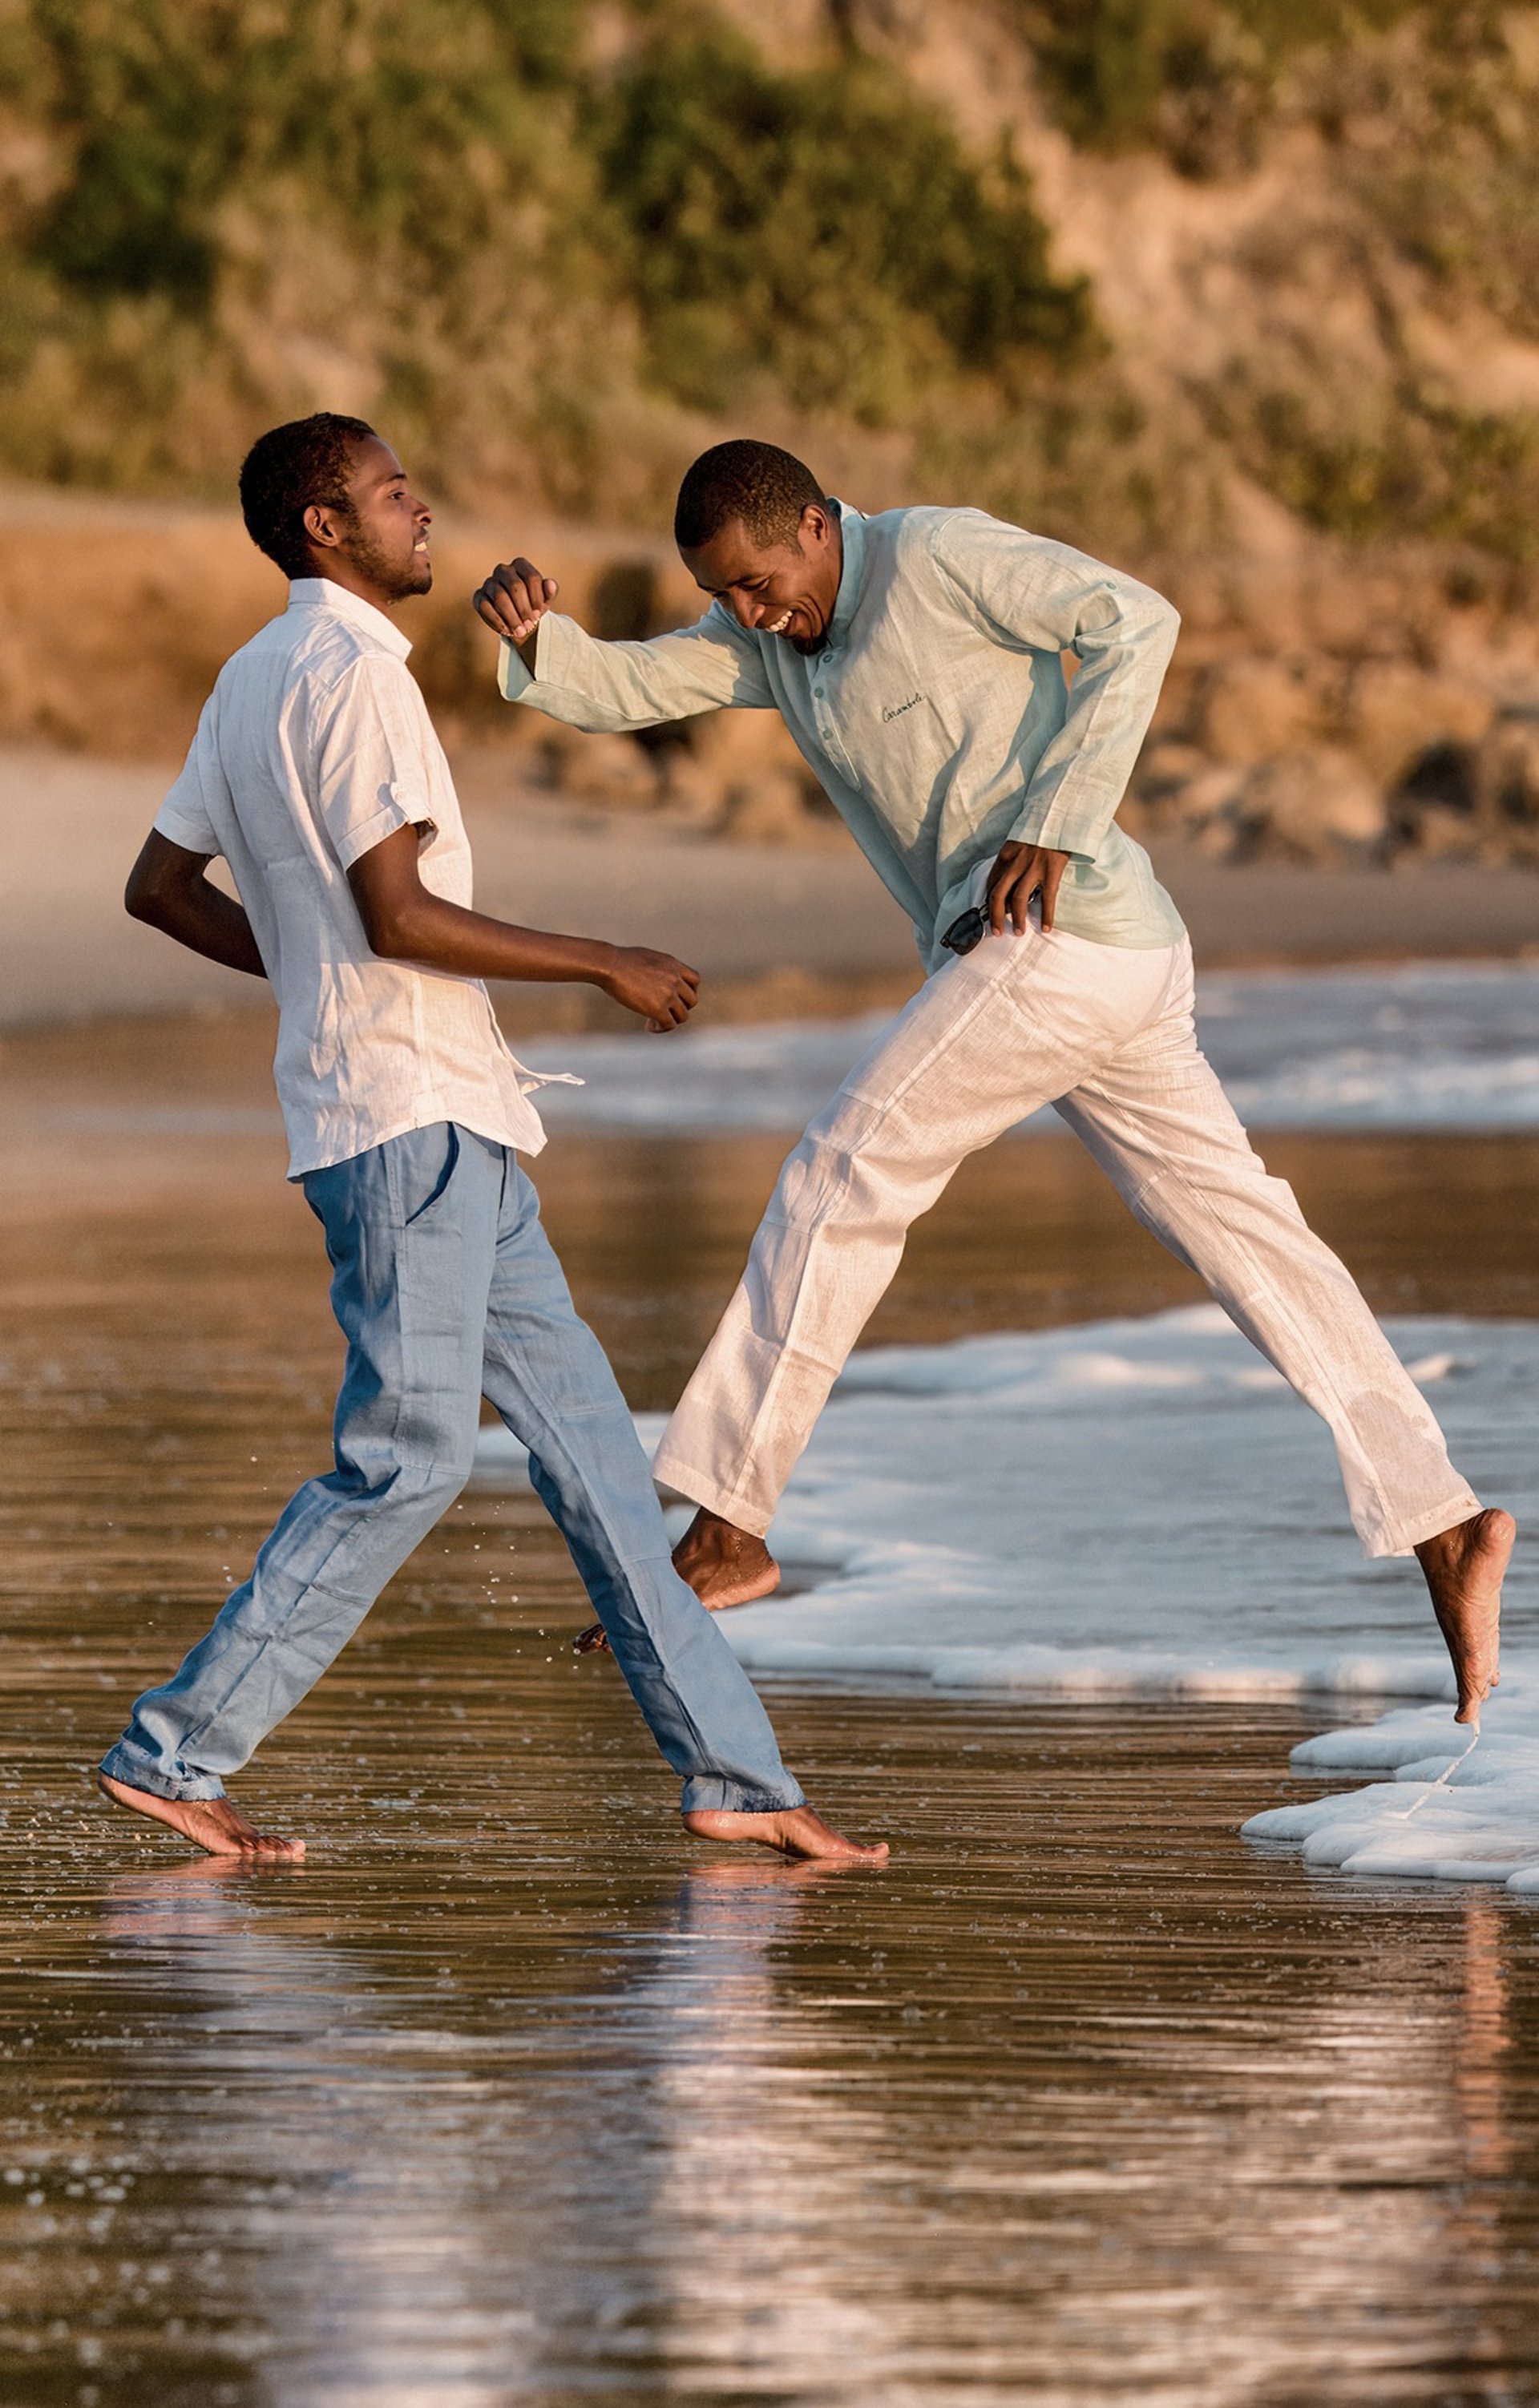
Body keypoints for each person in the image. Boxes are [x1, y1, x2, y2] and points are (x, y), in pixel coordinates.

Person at [473, 437, 1513, 1728]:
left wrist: (1057, 820)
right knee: (1258, 1247)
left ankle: (730, 1522)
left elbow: (1138, 621)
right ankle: (1444, 1522)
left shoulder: (941, 552)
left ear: (809, 524)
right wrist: (539, 643)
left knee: (844, 1173)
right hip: (1084, 965)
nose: (746, 613)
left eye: (755, 582)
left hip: (1067, 940)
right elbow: (628, 686)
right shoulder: (771, 639)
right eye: (724, 595)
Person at [98, 414, 886, 1867]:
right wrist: (603, 962)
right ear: (326, 528)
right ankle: (175, 1749)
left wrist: (311, 966)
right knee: (409, 1455)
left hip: (449, 1120)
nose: (424, 509)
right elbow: (394, 913)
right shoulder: (348, 679)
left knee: (593, 1452)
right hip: (399, 1121)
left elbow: (162, 886)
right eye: (394, 493)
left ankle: (740, 1781)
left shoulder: (255, 674)